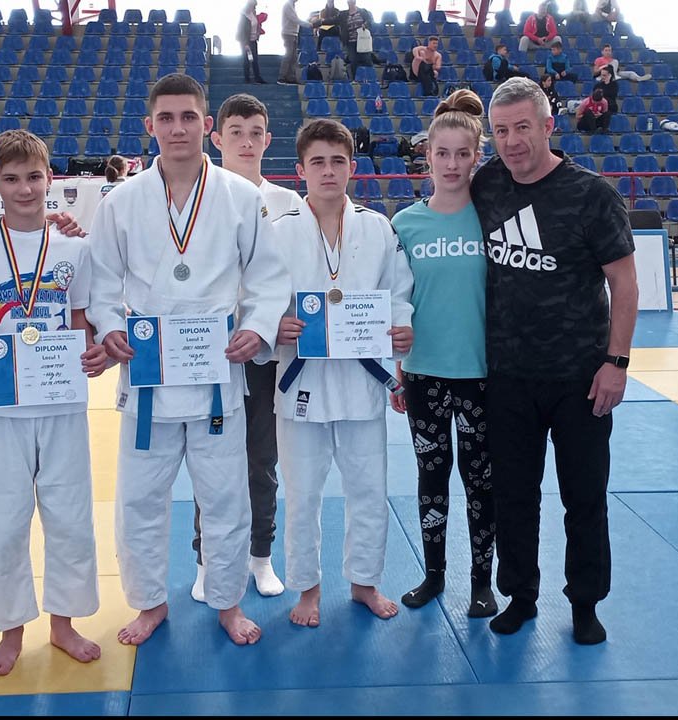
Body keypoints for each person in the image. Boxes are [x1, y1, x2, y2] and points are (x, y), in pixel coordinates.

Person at [86, 73, 289, 647]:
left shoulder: (242, 197)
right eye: (166, 118)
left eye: (189, 117)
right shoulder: (120, 201)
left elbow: (268, 278)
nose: (178, 128)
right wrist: (111, 326)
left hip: (216, 375)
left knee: (226, 498)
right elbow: (101, 282)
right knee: (139, 501)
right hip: (148, 377)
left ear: (206, 124)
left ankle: (227, 602)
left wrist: (256, 329)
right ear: (149, 125)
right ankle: (150, 603)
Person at [471, 77, 638, 646]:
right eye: (500, 130)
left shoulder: (592, 195)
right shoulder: (487, 185)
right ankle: (519, 594)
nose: (511, 141)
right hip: (507, 376)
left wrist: (617, 362)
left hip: (580, 377)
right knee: (513, 495)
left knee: (584, 496)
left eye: (523, 127)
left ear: (548, 126)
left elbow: (624, 284)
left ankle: (585, 603)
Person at [0, 129, 106, 677]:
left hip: (61, 399)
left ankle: (63, 624)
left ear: (49, 179)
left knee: (70, 515)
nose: (24, 188)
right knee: (2, 520)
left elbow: (80, 314)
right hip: (3, 402)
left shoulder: (74, 247)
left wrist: (88, 350)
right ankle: (10, 630)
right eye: (11, 178)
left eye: (34, 177)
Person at [271, 118, 414, 627]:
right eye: (318, 162)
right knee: (302, 494)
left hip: (361, 382)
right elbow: (258, 295)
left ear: (353, 167)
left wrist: (401, 330)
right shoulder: (279, 232)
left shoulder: (378, 228)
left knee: (369, 489)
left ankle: (364, 582)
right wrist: (275, 325)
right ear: (300, 170)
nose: (328, 171)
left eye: (337, 161)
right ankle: (307, 588)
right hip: (302, 381)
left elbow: (398, 292)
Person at [192, 92, 304, 604]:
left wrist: (280, 321)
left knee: (261, 461)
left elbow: (297, 277)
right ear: (217, 138)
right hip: (208, 352)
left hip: (264, 355)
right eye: (235, 132)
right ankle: (208, 559)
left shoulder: (290, 205)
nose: (245, 141)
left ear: (267, 139)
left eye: (255, 132)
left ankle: (260, 556)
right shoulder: (196, 198)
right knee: (212, 462)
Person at [390, 89, 496, 616]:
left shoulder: (493, 219)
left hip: (482, 375)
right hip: (424, 375)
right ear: (426, 156)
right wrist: (396, 372)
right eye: (442, 153)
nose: (452, 164)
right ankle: (434, 575)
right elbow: (394, 302)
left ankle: (482, 582)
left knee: (481, 482)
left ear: (476, 156)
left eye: (462, 153)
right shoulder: (405, 224)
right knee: (431, 478)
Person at [339, 0, 374, 82]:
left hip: (363, 41)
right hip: (351, 42)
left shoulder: (363, 12)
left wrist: (365, 24)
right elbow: (333, 20)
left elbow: (370, 21)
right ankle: (355, 79)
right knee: (353, 61)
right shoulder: (343, 14)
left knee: (367, 60)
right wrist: (320, 22)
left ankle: (371, 79)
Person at [279, 0, 308, 85]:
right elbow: (294, 19)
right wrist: (308, 24)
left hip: (294, 33)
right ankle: (282, 77)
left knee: (294, 57)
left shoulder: (292, 5)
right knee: (288, 55)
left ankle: (290, 77)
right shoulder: (288, 5)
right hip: (288, 33)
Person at [237, 0, 265, 85]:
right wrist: (245, 43)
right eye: (253, 6)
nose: (254, 8)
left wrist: (258, 32)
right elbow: (241, 30)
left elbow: (256, 24)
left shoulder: (253, 13)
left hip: (253, 39)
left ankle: (257, 77)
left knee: (255, 59)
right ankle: (247, 78)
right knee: (247, 59)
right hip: (246, 41)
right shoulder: (243, 15)